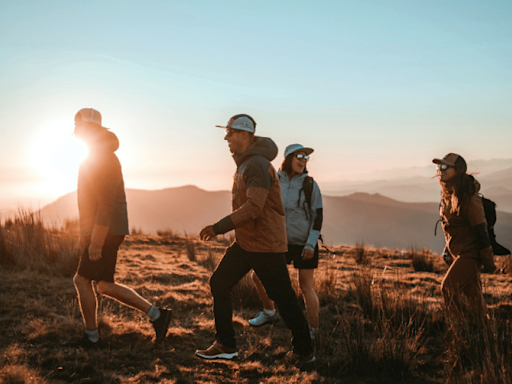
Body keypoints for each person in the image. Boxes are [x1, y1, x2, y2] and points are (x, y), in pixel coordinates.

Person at [196, 114, 314, 363]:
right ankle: (226, 344)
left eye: (230, 133)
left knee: (283, 298)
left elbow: (253, 208)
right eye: (226, 133)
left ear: (245, 135)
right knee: (219, 283)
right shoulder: (246, 162)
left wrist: (218, 228)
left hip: (266, 246)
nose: (226, 138)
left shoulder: (257, 164)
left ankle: (304, 351)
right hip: (247, 243)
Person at [72, 108, 172, 347]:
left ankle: (91, 337)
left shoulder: (103, 156)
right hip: (105, 230)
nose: (74, 128)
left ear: (89, 128)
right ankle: (158, 315)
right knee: (104, 285)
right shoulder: (95, 153)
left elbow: (106, 203)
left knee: (82, 280)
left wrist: (96, 240)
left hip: (106, 231)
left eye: (77, 124)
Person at [249, 144, 322, 341]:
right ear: (288, 157)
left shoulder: (309, 184)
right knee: (257, 276)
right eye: (299, 155)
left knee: (306, 287)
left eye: (306, 157)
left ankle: (313, 330)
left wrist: (310, 244)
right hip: (278, 241)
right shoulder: (274, 179)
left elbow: (318, 216)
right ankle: (270, 312)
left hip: (304, 243)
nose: (304, 159)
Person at [433, 153, 496, 319]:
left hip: (470, 254)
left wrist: (488, 261)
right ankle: (483, 332)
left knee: (447, 288)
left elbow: (480, 229)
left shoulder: (468, 196)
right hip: (458, 253)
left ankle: (463, 328)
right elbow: (454, 227)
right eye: (439, 166)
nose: (441, 170)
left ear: (458, 170)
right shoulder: (449, 193)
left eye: (445, 167)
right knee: (475, 299)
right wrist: (448, 249)